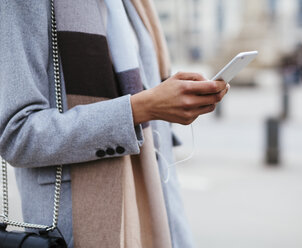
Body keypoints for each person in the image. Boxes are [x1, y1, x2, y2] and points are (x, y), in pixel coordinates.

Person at [0, 0, 229, 247]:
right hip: (81, 218)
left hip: (157, 204)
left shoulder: (136, 4)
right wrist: (140, 109)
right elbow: (17, 133)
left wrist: (177, 99)